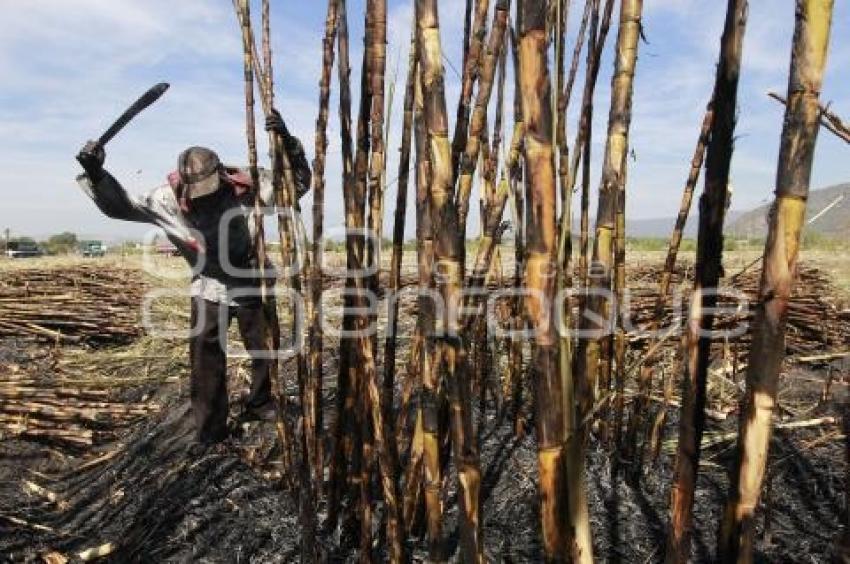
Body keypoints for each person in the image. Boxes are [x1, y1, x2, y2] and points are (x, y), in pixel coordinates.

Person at [74, 110, 310, 445]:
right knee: (205, 356)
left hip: (252, 277)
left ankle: (260, 402)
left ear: (222, 177)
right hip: (209, 284)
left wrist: (289, 144)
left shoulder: (248, 186)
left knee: (264, 347)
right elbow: (120, 205)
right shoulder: (165, 201)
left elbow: (297, 184)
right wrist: (98, 174)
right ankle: (211, 428)